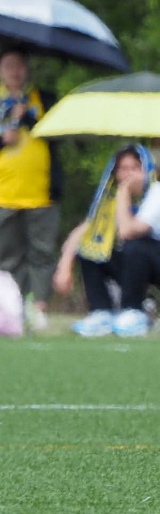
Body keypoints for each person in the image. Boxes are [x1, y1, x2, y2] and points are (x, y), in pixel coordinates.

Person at [53, 144, 160, 338]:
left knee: (134, 246)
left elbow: (128, 231)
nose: (128, 175)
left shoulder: (159, 196)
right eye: (123, 169)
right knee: (92, 246)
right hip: (134, 271)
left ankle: (133, 312)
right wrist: (65, 265)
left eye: (135, 168)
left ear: (147, 170)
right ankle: (101, 312)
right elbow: (85, 229)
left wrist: (123, 194)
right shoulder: (110, 200)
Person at [0, 48, 62, 331]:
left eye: (20, 66)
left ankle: (39, 309)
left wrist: (29, 119)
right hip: (5, 193)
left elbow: (59, 134)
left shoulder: (45, 99)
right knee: (8, 255)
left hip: (42, 192)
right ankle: (11, 309)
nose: (15, 72)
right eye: (9, 66)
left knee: (42, 252)